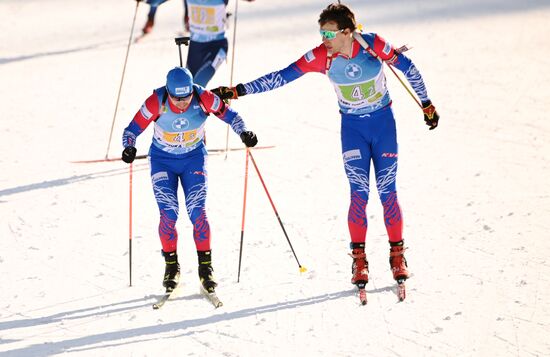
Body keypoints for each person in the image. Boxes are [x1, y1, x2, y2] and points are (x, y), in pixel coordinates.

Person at [212, 3, 440, 291]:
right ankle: (359, 260)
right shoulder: (322, 57)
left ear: (347, 32)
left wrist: (426, 104)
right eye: (321, 33)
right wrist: (238, 90)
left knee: (387, 191)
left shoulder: (372, 44)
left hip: (383, 126)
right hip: (353, 130)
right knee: (359, 193)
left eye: (328, 33)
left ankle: (397, 255)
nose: (323, 39)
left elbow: (408, 68)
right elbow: (282, 76)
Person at [121, 67, 258, 293]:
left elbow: (232, 116)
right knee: (169, 213)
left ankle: (205, 268)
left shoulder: (204, 97)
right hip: (162, 160)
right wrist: (129, 147)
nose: (183, 103)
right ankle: (171, 267)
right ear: (168, 92)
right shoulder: (156, 101)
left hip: (193, 159)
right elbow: (131, 130)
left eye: (186, 97)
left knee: (197, 211)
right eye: (177, 98)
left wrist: (244, 132)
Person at [139, 0, 255, 87]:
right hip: (195, 47)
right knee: (187, 88)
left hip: (216, 46)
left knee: (198, 86)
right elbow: (154, 2)